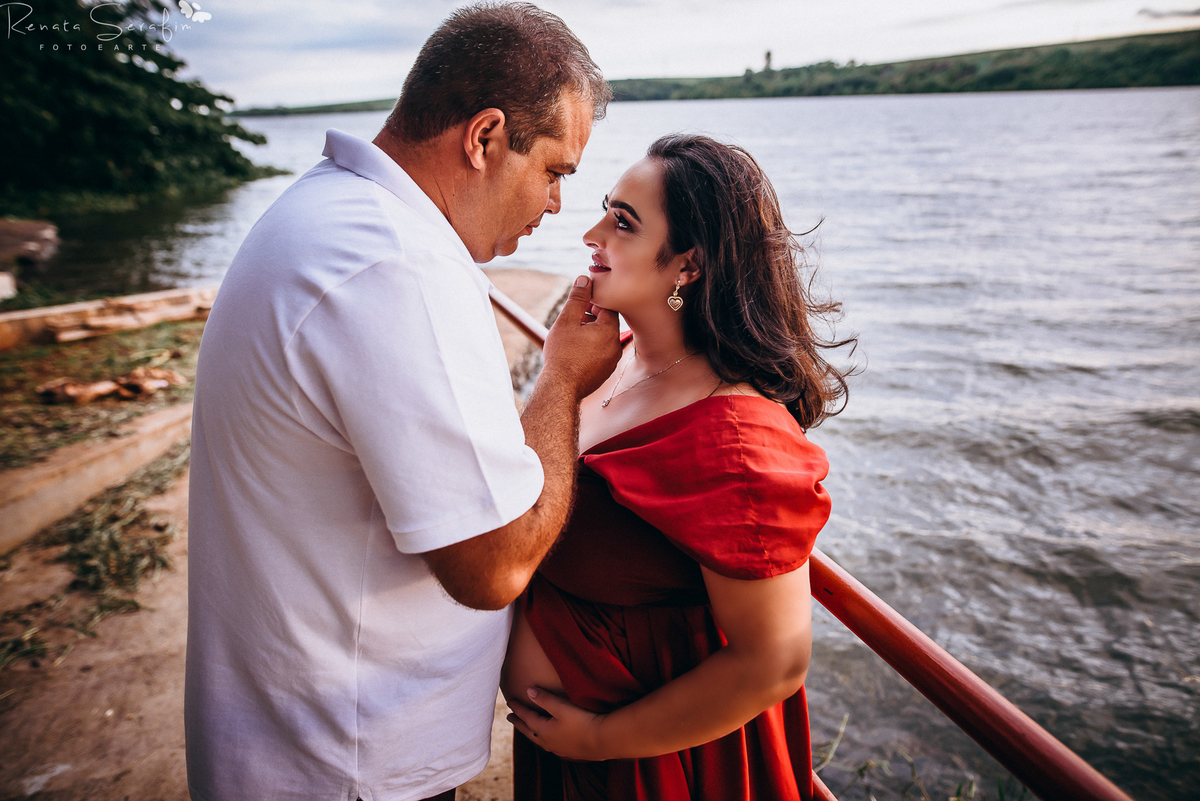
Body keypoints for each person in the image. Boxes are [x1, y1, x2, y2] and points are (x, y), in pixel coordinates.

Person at [184, 4, 620, 801]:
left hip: (295, 729)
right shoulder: (395, 269)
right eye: (555, 171)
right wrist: (562, 380)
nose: (557, 206)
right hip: (348, 760)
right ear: (485, 137)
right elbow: (495, 562)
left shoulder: (325, 212)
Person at [502, 134, 855, 800]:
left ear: (688, 265)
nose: (590, 232)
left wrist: (600, 739)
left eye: (623, 223)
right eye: (607, 210)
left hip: (646, 766)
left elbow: (774, 660)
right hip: (568, 751)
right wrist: (560, 371)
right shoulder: (613, 357)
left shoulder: (736, 440)